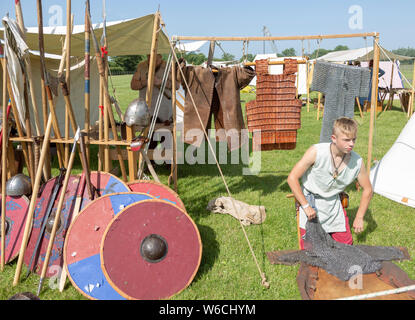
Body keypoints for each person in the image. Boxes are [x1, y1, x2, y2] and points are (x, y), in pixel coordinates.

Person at [287, 117, 373, 249]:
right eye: (346, 140)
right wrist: (305, 206)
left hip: (334, 204)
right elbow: (292, 178)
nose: (351, 144)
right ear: (334, 138)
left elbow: (367, 189)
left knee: (346, 248)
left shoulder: (357, 162)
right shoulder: (316, 152)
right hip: (311, 202)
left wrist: (360, 217)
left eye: (353, 139)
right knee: (311, 252)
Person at [130, 54, 173, 150]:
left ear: (160, 57)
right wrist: (145, 82)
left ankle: (168, 163)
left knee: (166, 138)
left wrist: (160, 82)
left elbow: (177, 85)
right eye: (149, 56)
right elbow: (133, 85)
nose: (151, 59)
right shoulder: (141, 66)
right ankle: (149, 162)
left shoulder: (168, 66)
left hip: (165, 110)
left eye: (155, 57)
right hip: (147, 110)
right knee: (148, 138)